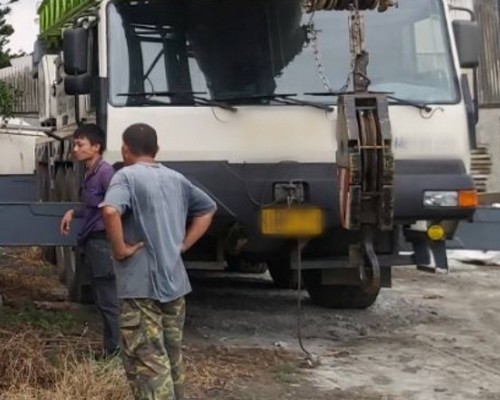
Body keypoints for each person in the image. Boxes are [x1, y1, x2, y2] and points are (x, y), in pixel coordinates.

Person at [100, 123, 216, 400]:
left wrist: (120, 249)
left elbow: (109, 211)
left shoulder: (126, 177)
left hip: (141, 287)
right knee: (171, 355)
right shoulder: (176, 178)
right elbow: (208, 208)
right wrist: (184, 244)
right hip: (175, 283)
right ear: (156, 149)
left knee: (147, 359)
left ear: (125, 149)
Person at [59, 123, 120, 358]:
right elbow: (92, 206)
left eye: (80, 144)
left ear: (96, 147)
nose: (75, 149)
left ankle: (116, 354)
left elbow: (114, 208)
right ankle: (111, 349)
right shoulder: (89, 172)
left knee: (108, 301)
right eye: (75, 144)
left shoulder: (106, 174)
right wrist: (73, 213)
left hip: (103, 242)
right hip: (91, 241)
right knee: (101, 300)